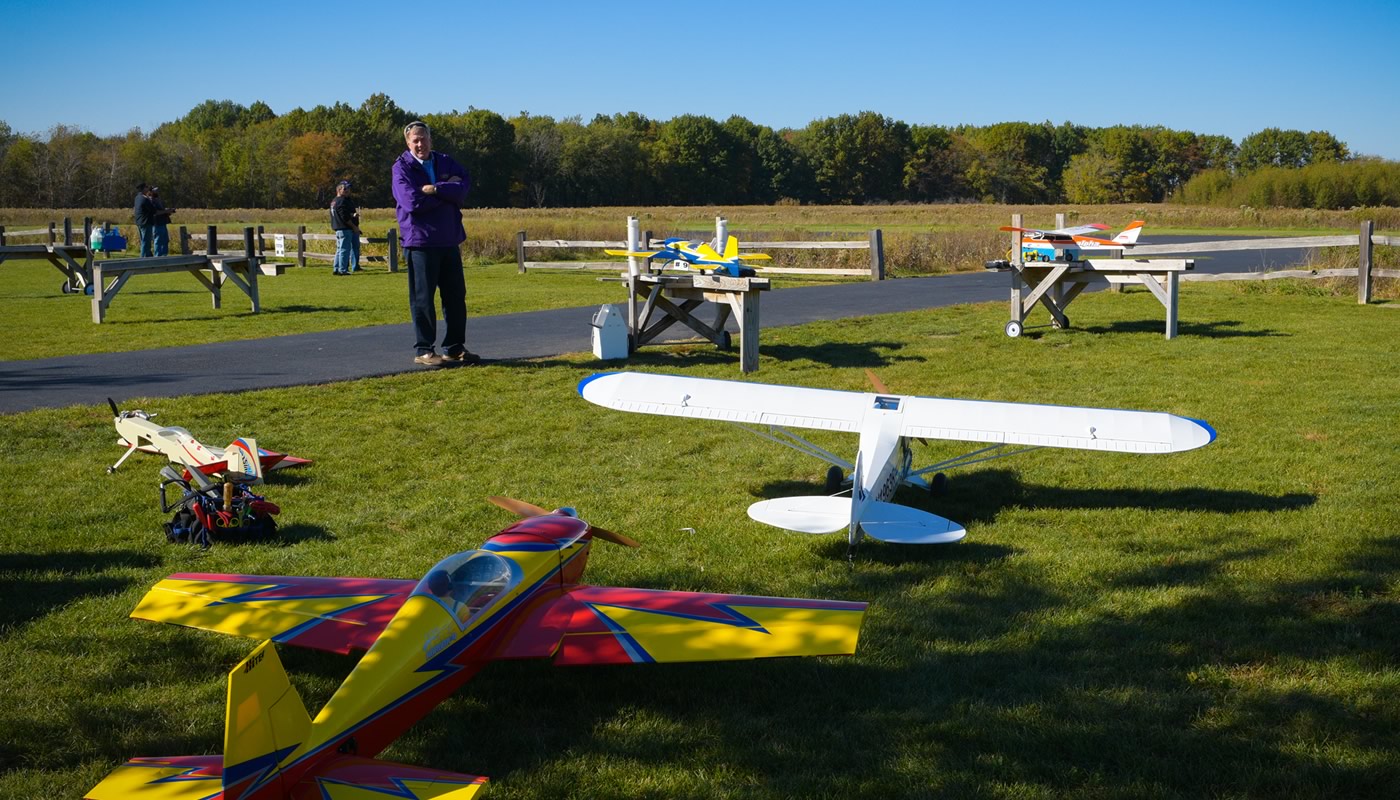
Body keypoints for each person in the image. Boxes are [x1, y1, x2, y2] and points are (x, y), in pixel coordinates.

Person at [391, 121, 479, 366]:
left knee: (455, 296)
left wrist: (435, 189)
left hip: (449, 239)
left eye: (423, 139)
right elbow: (412, 203)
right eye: (415, 140)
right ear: (408, 143)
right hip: (420, 242)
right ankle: (424, 350)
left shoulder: (445, 161)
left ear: (430, 139)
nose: (420, 144)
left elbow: (463, 188)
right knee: (423, 298)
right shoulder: (401, 168)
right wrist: (446, 195)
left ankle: (454, 347)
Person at [330, 179, 362, 275]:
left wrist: (352, 215)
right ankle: (343, 270)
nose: (347, 190)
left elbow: (343, 214)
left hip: (338, 228)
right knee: (344, 250)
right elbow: (344, 217)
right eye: (345, 189)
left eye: (348, 188)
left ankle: (336, 268)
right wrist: (354, 227)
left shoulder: (334, 201)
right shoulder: (341, 201)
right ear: (339, 190)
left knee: (339, 249)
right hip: (345, 229)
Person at [133, 183, 157, 257]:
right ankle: (143, 258)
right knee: (146, 241)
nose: (147, 188)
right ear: (143, 189)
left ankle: (148, 256)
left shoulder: (137, 198)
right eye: (146, 187)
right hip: (146, 222)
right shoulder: (144, 199)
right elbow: (153, 210)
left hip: (140, 222)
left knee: (144, 241)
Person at [150, 187, 175, 256]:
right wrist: (166, 211)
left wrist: (168, 211)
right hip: (157, 223)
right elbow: (155, 212)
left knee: (165, 240)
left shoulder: (158, 200)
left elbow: (161, 210)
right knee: (158, 241)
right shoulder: (151, 201)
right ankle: (158, 256)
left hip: (163, 222)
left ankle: (164, 255)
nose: (157, 192)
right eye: (155, 191)